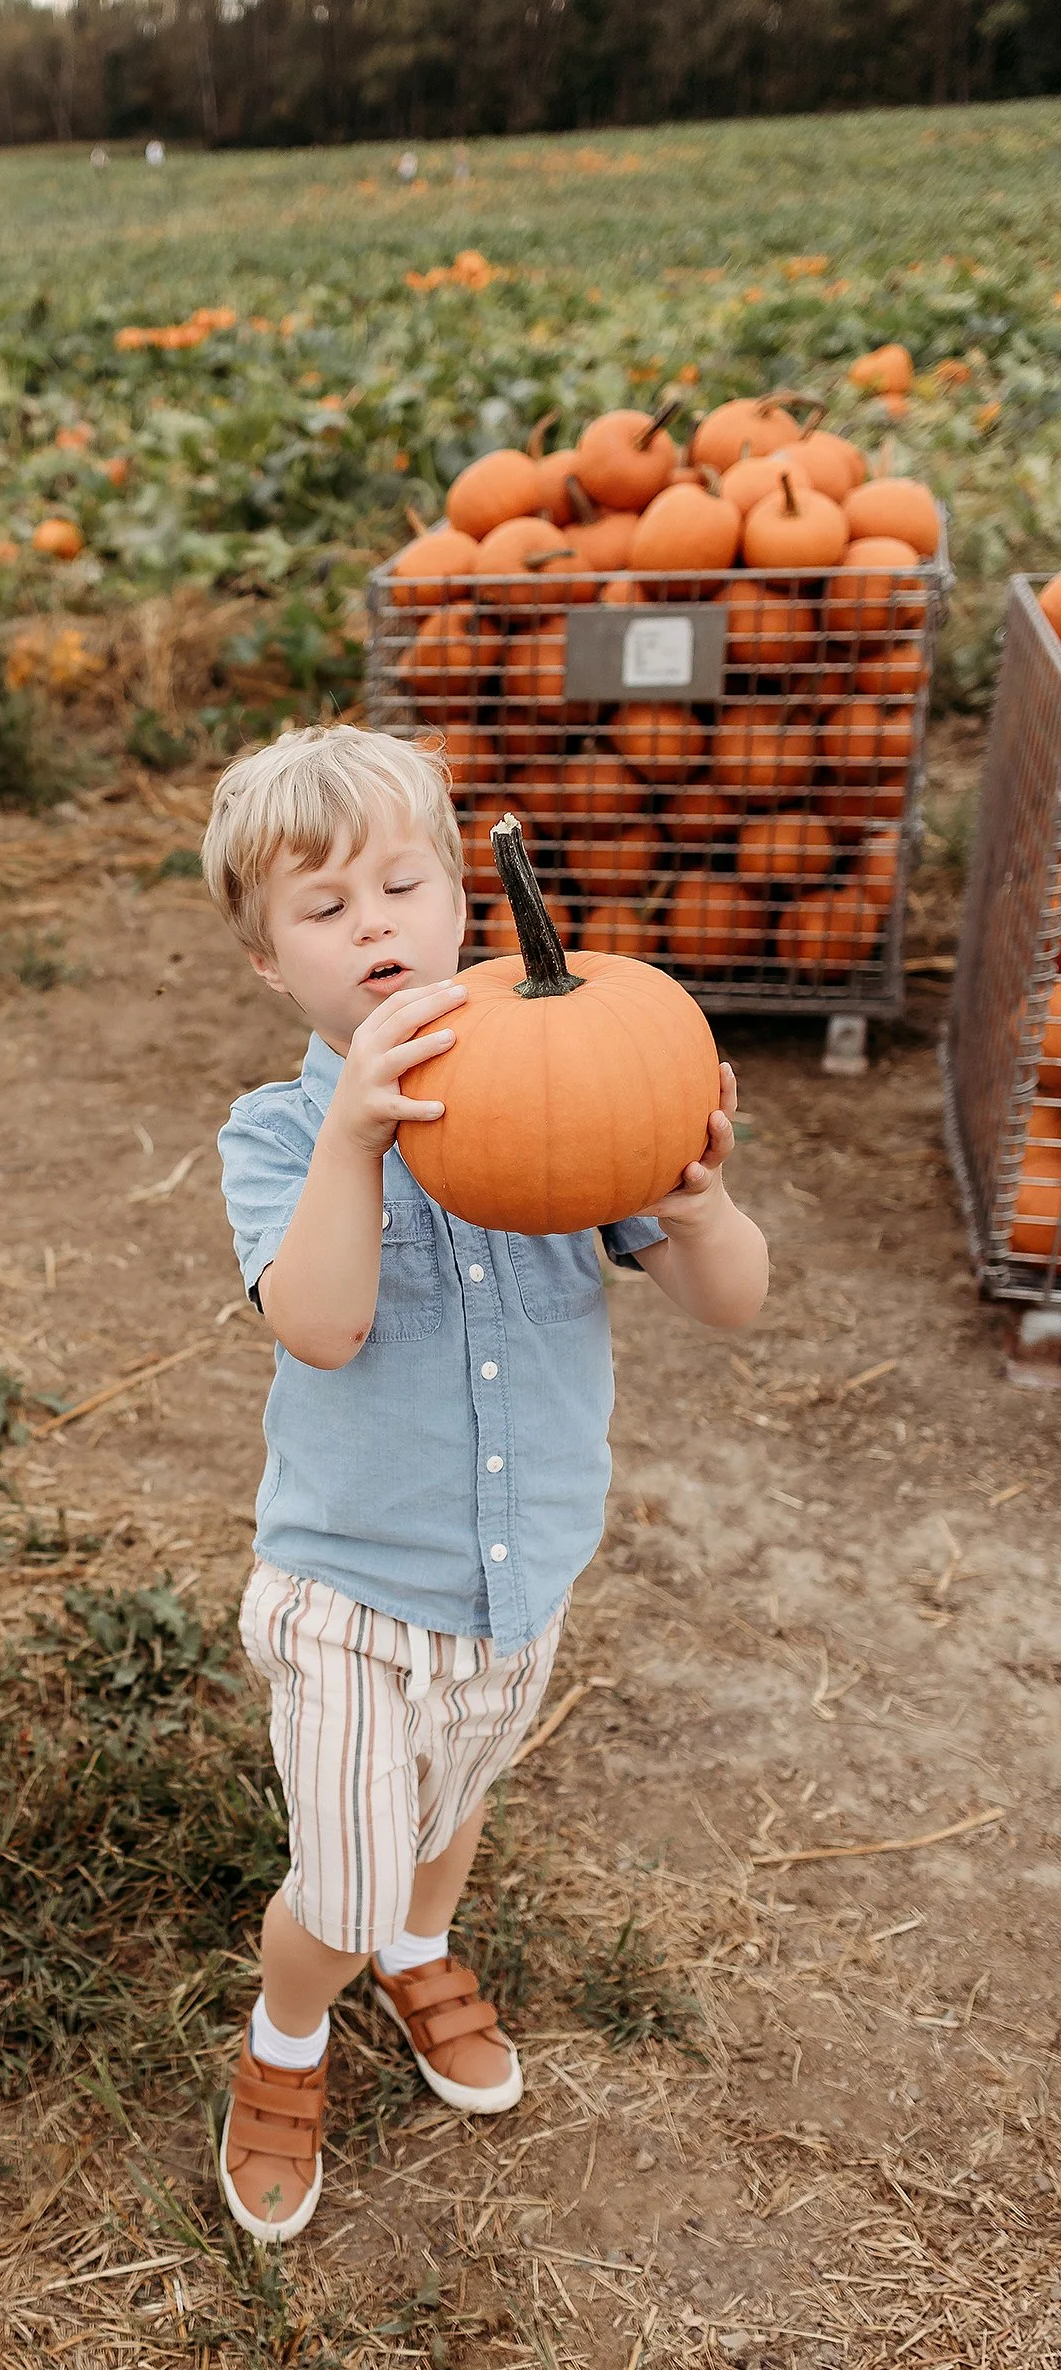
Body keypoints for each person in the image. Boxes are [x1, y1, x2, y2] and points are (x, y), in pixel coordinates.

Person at [201, 729, 768, 2241]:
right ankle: (290, 2031)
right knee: (340, 1876)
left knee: (456, 1801)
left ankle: (419, 1944)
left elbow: (735, 1301)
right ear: (271, 963)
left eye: (403, 884)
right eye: (326, 910)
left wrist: (700, 1206)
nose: (375, 924)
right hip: (350, 1590)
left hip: (521, 1576)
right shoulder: (277, 1135)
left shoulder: (574, 1088)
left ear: (465, 902)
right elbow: (320, 1325)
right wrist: (356, 1141)